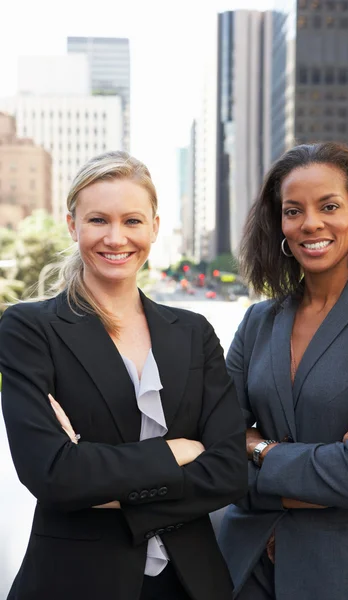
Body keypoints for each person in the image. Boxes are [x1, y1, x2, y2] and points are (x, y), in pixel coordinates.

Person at [0, 151, 248, 600]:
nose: (116, 238)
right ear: (73, 225)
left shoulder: (193, 333)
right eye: (98, 220)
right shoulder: (29, 329)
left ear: (154, 226)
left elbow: (229, 472)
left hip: (191, 584)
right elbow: (53, 475)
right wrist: (176, 451)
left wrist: (98, 481)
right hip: (74, 581)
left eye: (132, 221)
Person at [218, 142, 348, 600]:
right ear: (279, 223)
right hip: (245, 567)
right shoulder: (258, 321)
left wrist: (258, 447)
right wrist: (321, 474)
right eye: (293, 210)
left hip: (345, 571)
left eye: (330, 206)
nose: (311, 224)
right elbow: (214, 453)